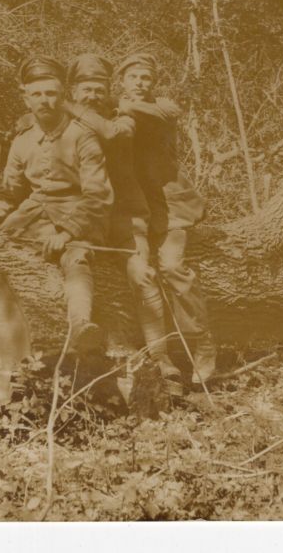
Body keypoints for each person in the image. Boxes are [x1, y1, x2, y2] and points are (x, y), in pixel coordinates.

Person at [0, 56, 113, 355]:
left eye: (51, 93)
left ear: (63, 96)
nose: (44, 101)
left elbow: (96, 194)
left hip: (79, 212)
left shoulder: (82, 135)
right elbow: (9, 192)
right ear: (26, 98)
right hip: (33, 214)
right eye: (36, 94)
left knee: (76, 258)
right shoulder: (22, 140)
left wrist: (66, 232)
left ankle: (80, 325)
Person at [62, 53, 183, 385]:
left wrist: (71, 107)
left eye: (99, 89)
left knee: (144, 275)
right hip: (84, 218)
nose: (93, 96)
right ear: (73, 90)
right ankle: (80, 345)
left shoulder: (121, 117)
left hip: (125, 218)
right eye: (85, 90)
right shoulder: (61, 125)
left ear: (109, 91)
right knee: (75, 260)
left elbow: (115, 134)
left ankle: (161, 355)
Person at [115, 52, 217, 384]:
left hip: (171, 204)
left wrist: (121, 106)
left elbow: (159, 116)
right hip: (134, 206)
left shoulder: (163, 108)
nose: (140, 84)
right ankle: (159, 356)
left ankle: (203, 344)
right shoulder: (115, 111)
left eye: (146, 78)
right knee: (143, 272)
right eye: (134, 77)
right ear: (122, 80)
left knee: (172, 266)